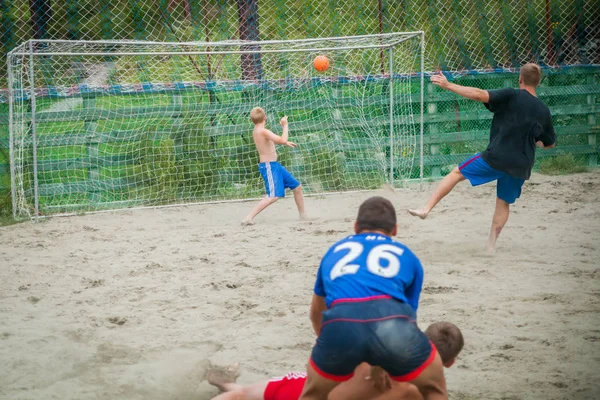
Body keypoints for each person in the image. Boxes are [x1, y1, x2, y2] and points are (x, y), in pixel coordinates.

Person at [300, 196, 447, 400]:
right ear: (395, 230)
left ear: (355, 226)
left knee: (312, 394)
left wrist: (329, 344)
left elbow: (316, 312)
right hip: (392, 323)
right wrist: (381, 361)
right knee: (433, 389)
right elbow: (409, 317)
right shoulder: (408, 256)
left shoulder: (333, 252)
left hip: (342, 322)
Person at [408, 63, 556, 252]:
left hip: (498, 156)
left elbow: (479, 94)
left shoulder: (512, 95)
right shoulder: (543, 110)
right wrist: (537, 142)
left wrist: (448, 85)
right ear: (539, 82)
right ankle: (490, 247)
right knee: (503, 202)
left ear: (520, 79)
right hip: (522, 164)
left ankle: (426, 209)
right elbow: (549, 143)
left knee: (457, 173)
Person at [207, 321, 464, 400]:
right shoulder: (423, 391)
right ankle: (227, 385)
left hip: (307, 391)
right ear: (450, 363)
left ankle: (226, 385)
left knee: (240, 395)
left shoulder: (381, 345)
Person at [242, 107, 307, 225]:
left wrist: (285, 142)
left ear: (252, 120)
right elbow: (282, 139)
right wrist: (285, 125)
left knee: (297, 187)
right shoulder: (262, 131)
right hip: (269, 166)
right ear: (265, 117)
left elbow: (274, 140)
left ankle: (303, 216)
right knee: (273, 196)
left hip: (275, 165)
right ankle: (248, 217)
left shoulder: (259, 130)